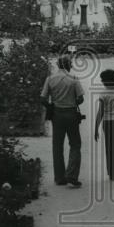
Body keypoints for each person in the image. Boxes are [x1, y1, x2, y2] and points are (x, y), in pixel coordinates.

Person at [40, 55, 84, 187]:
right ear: (67, 65)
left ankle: (59, 177)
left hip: (57, 114)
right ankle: (71, 175)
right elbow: (81, 98)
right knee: (75, 144)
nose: (71, 66)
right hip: (71, 113)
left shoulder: (50, 79)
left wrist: (51, 107)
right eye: (70, 63)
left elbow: (43, 98)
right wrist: (72, 101)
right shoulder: (74, 80)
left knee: (57, 145)